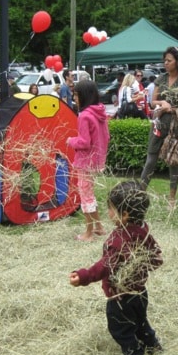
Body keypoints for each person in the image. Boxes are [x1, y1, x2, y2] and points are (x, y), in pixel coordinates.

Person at [69, 181, 163, 355]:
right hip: (140, 291)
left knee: (120, 329)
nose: (108, 213)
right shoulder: (143, 230)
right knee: (140, 321)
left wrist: (83, 276)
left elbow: (104, 266)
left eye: (111, 209)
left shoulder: (119, 240)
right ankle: (153, 346)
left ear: (125, 214)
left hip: (120, 297)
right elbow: (156, 256)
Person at [140, 46, 178, 207]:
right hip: (158, 124)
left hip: (175, 126)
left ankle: (172, 199)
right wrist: (161, 103)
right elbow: (152, 101)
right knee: (150, 160)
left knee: (173, 162)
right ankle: (140, 193)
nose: (166, 63)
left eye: (169, 60)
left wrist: (173, 109)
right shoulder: (160, 79)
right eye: (165, 60)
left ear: (177, 62)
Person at [66, 80, 110, 242]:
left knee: (86, 196)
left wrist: (71, 141)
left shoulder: (84, 116)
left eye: (76, 94)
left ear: (84, 95)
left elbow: (84, 142)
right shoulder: (100, 113)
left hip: (85, 161)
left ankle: (88, 233)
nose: (74, 97)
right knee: (89, 193)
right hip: (96, 161)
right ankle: (99, 227)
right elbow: (106, 137)